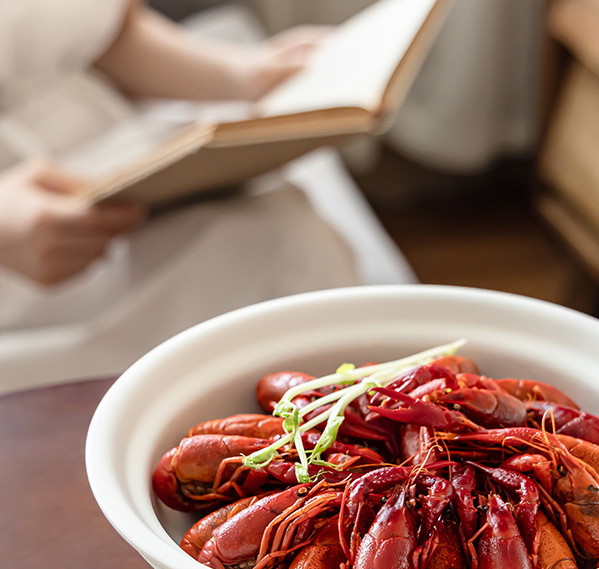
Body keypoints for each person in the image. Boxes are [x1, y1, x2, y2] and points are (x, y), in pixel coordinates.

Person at [0, 0, 413, 394]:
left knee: (284, 234)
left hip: (109, 159)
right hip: (25, 270)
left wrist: (245, 75)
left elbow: (101, 28)